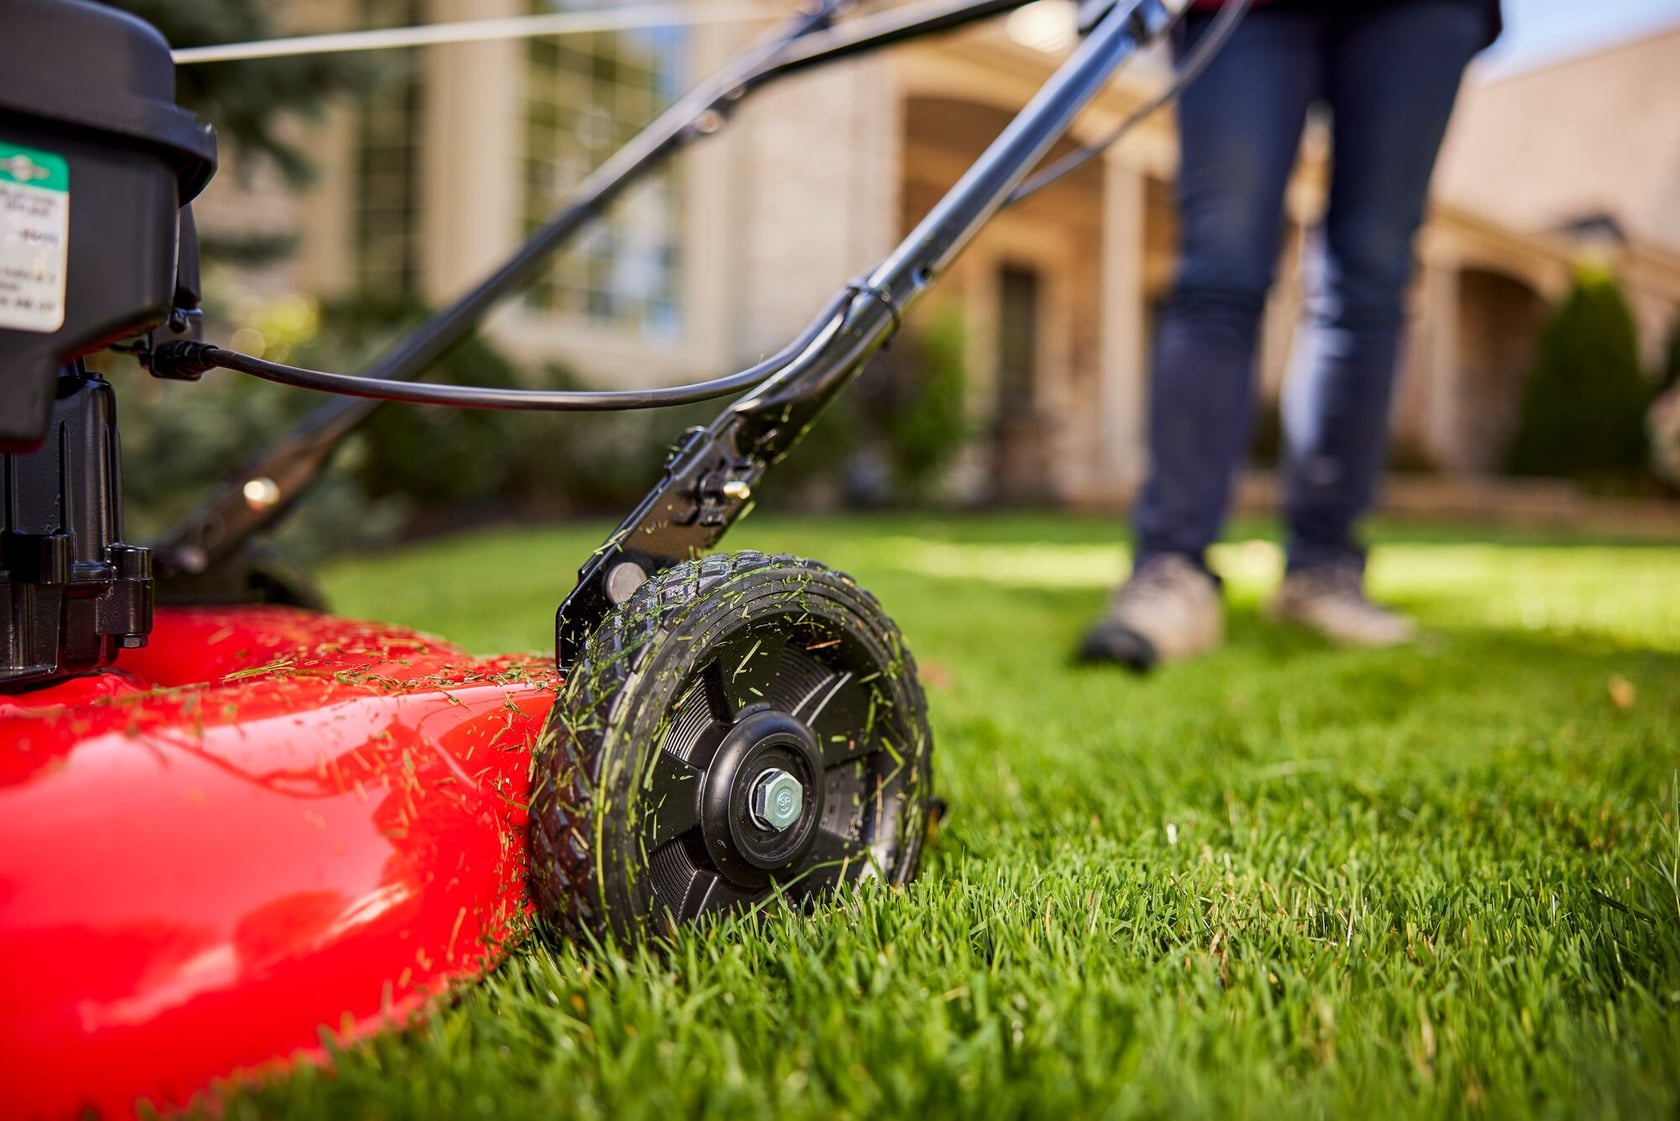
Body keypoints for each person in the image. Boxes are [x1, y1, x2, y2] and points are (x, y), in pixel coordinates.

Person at [1079, 0, 1502, 671]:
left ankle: (1323, 569)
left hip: (1421, 14)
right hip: (1240, 12)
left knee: (1369, 278)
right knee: (1218, 271)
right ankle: (1170, 567)